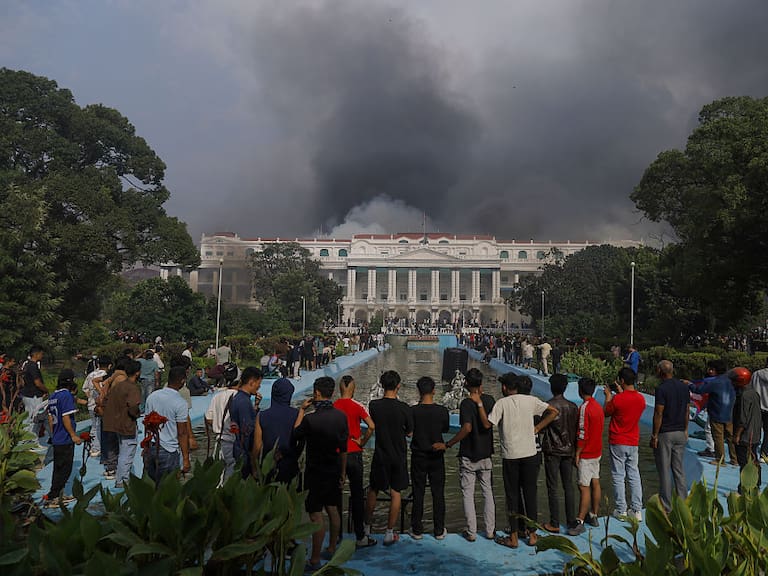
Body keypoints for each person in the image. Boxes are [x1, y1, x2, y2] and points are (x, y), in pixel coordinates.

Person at [489, 373, 559, 548]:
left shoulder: (501, 403)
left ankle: (513, 537)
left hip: (511, 455)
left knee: (512, 496)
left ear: (505, 387)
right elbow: (553, 412)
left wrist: (479, 404)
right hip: (530, 454)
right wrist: (537, 428)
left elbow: (488, 423)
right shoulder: (531, 400)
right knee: (530, 494)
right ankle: (533, 535)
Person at [294, 377, 349, 571]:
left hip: (315, 471)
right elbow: (343, 449)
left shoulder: (310, 419)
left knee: (316, 514)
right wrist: (343, 472)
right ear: (332, 392)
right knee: (333, 508)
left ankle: (315, 559)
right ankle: (332, 546)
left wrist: (301, 410)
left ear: (316, 393)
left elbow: (295, 434)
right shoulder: (341, 417)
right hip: (333, 468)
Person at [436, 367, 496, 542]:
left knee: (468, 493)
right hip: (486, 453)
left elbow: (467, 428)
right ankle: (490, 530)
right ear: (481, 383)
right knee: (488, 492)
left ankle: (472, 532)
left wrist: (448, 443)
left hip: (469, 454)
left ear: (466, 384)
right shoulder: (490, 400)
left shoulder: (466, 404)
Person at [365, 370, 413, 546]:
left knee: (373, 489)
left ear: (382, 385)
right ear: (398, 385)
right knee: (396, 492)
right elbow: (409, 432)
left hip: (381, 453)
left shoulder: (374, 405)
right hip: (398, 454)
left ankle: (366, 529)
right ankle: (389, 532)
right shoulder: (405, 408)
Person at [334, 375, 377, 548]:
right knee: (357, 495)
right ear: (354, 389)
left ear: (339, 389)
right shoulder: (357, 406)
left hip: (337, 454)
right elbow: (372, 426)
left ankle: (336, 536)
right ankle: (361, 536)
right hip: (354, 453)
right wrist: (363, 441)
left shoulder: (334, 406)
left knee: (336, 495)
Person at [408, 376, 450, 541]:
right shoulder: (442, 411)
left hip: (418, 455)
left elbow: (409, 430)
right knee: (438, 493)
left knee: (418, 492)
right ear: (434, 390)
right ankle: (439, 529)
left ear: (419, 391)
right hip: (436, 455)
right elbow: (445, 428)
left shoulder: (413, 411)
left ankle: (417, 529)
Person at [603, 367, 646, 521]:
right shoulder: (641, 399)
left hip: (617, 440)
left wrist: (608, 396)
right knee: (634, 474)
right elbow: (628, 403)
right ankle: (637, 510)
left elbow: (606, 412)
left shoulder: (617, 399)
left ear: (621, 380)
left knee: (618, 475)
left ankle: (621, 509)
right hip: (633, 441)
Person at [540, 373, 578, 533]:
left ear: (551, 387)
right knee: (568, 486)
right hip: (568, 449)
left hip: (552, 449)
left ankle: (554, 522)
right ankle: (571, 521)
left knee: (552, 486)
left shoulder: (548, 406)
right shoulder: (573, 407)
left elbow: (541, 427)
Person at [651, 360, 689, 511]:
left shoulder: (661, 388)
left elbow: (659, 412)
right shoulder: (683, 387)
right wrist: (685, 429)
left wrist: (654, 435)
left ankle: (666, 505)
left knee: (664, 470)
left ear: (660, 371)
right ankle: (683, 502)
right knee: (678, 469)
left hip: (666, 433)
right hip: (680, 431)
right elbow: (687, 410)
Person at [143, 366, 192, 484]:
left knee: (152, 487)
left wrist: (146, 447)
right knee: (168, 489)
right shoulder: (180, 403)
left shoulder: (152, 397)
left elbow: (147, 424)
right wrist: (186, 458)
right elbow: (182, 433)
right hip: (169, 450)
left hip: (152, 448)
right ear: (182, 381)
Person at [568, 377, 604, 536]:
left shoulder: (585, 408)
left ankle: (580, 520)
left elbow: (582, 433)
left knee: (584, 487)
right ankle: (593, 515)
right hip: (597, 451)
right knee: (595, 482)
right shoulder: (598, 407)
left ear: (580, 390)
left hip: (587, 453)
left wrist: (577, 453)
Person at [101, 359, 142, 488]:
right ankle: (122, 480)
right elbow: (133, 406)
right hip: (126, 424)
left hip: (115, 423)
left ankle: (120, 477)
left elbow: (105, 400)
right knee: (127, 451)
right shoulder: (132, 388)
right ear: (137, 373)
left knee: (121, 450)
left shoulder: (118, 385)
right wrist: (136, 414)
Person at [45, 369, 83, 507]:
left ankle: (59, 494)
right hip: (65, 438)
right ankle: (53, 496)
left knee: (58, 468)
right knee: (65, 470)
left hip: (57, 437)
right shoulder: (66, 395)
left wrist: (53, 433)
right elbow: (65, 416)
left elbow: (50, 417)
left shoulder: (53, 396)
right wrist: (73, 435)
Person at [254, 377, 301, 484]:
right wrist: (295, 455)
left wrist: (254, 467)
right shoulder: (297, 414)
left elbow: (257, 446)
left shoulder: (262, 416)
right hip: (290, 464)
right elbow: (301, 440)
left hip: (268, 465)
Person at [689, 359, 736, 466]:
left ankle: (720, 460)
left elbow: (699, 390)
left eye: (710, 369)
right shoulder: (729, 381)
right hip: (729, 413)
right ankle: (735, 459)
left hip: (717, 413)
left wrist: (689, 384)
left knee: (718, 437)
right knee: (730, 437)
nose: (709, 371)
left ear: (714, 370)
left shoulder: (715, 382)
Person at [204, 366, 240, 481]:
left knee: (217, 478)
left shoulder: (217, 397)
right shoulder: (240, 398)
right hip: (232, 442)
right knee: (231, 479)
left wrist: (218, 424)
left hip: (219, 442)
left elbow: (208, 418)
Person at [731, 367, 762, 490]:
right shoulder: (754, 393)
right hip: (755, 434)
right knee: (754, 461)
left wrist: (737, 435)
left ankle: (743, 489)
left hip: (745, 435)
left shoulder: (744, 396)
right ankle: (756, 485)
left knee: (744, 463)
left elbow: (742, 419)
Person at [229, 367, 263, 478]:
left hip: (238, 447)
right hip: (244, 452)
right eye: (258, 383)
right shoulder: (244, 402)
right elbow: (246, 430)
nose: (259, 387)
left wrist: (256, 406)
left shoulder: (237, 398)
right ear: (252, 382)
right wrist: (253, 457)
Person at [82, 356, 112, 458]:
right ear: (109, 365)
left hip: (91, 404)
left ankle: (93, 447)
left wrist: (91, 398)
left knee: (94, 426)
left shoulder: (91, 374)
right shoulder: (107, 376)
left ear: (98, 365)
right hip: (102, 405)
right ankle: (99, 448)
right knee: (102, 427)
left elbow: (85, 389)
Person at [21, 345, 48, 443]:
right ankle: (32, 441)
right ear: (36, 354)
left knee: (28, 417)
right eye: (41, 354)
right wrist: (45, 390)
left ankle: (25, 439)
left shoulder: (26, 364)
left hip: (27, 394)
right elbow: (37, 383)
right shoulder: (33, 366)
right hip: (34, 395)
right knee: (35, 418)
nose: (42, 356)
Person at [749, 358, 768, 464]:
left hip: (757, 407)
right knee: (767, 433)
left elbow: (750, 389)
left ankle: (752, 454)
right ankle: (764, 454)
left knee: (754, 431)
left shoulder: (756, 374)